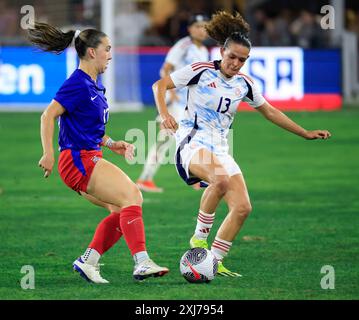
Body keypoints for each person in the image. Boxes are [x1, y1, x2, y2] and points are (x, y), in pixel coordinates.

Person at [152, 11, 331, 276]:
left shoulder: (244, 84)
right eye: (232, 57)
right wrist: (166, 115)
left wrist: (304, 132)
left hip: (220, 147)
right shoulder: (200, 71)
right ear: (222, 51)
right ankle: (199, 240)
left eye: (242, 60)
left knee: (243, 207)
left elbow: (270, 112)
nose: (236, 63)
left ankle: (214, 260)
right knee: (220, 180)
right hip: (192, 141)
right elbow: (160, 85)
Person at [28, 22, 169, 283]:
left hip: (89, 156)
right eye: (107, 48)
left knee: (120, 210)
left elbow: (87, 127)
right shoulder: (78, 83)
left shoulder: (94, 85)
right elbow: (48, 116)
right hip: (77, 160)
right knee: (133, 195)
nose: (111, 54)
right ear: (92, 52)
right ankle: (141, 262)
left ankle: (89, 261)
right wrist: (48, 153)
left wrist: (112, 143)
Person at [137, 14, 210, 193]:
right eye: (198, 26)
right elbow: (166, 68)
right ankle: (145, 179)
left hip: (190, 103)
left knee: (183, 139)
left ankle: (191, 176)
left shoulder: (204, 51)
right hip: (175, 102)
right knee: (169, 140)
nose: (202, 30)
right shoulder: (183, 46)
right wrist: (170, 94)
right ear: (190, 29)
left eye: (204, 26)